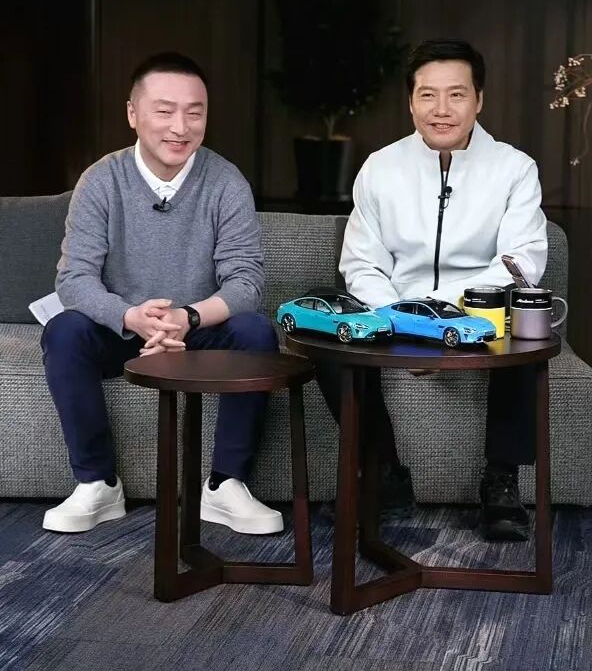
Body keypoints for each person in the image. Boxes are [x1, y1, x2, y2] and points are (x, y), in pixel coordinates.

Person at [41, 52, 283, 536]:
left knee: (257, 332)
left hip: (197, 330)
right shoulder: (101, 180)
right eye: (165, 111)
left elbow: (247, 282)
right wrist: (130, 315)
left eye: (195, 112)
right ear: (133, 114)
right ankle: (97, 484)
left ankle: (225, 485)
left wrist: (187, 318)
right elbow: (74, 279)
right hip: (122, 329)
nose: (181, 127)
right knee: (64, 330)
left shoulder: (225, 181)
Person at [317, 38, 547, 541]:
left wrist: (444, 315)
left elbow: (521, 261)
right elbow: (360, 263)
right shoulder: (380, 167)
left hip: (478, 312)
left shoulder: (514, 168)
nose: (441, 109)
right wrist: (405, 319)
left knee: (526, 321)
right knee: (327, 331)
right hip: (394, 311)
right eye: (428, 95)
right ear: (411, 101)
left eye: (456, 94)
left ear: (479, 100)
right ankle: (383, 474)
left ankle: (501, 480)